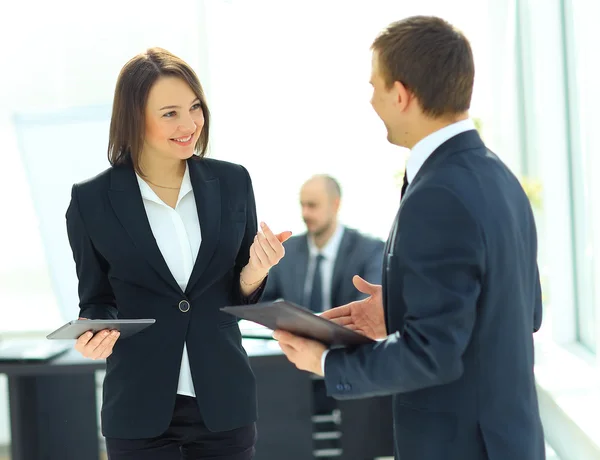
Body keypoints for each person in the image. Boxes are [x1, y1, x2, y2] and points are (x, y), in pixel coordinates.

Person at [273, 16, 545, 460]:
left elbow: (431, 356)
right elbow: (523, 311)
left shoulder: (437, 194)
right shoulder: (500, 177)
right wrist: (406, 309)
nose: (371, 100)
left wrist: (324, 362)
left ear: (400, 95)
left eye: (374, 86)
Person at [67, 47, 291, 460]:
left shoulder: (233, 182)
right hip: (139, 407)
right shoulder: (92, 200)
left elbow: (237, 294)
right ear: (135, 118)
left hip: (224, 403)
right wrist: (92, 331)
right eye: (170, 113)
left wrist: (255, 271)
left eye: (195, 107)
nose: (189, 124)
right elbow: (98, 299)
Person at [263, 174, 384, 312]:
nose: (305, 213)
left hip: (346, 332)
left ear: (335, 205)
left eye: (312, 205)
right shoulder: (287, 250)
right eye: (302, 205)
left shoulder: (369, 251)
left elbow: (369, 307)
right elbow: (257, 300)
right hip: (295, 332)